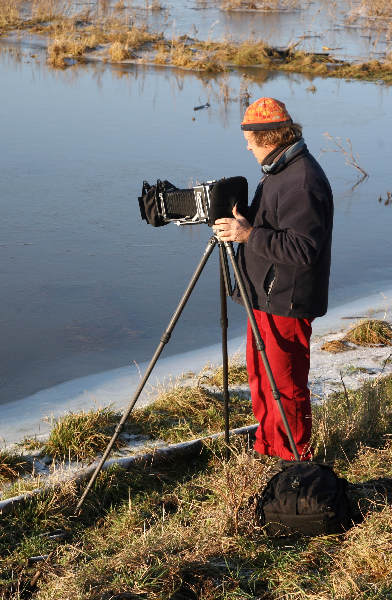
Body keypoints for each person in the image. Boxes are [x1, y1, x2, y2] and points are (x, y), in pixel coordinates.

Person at [213, 97, 333, 461]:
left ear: (268, 136)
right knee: (262, 380)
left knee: (286, 385)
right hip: (266, 295)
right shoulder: (280, 170)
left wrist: (248, 235)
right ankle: (268, 449)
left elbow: (304, 249)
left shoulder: (303, 180)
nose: (246, 145)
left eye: (249, 137)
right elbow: (276, 224)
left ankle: (295, 464)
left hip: (288, 300)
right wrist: (241, 217)